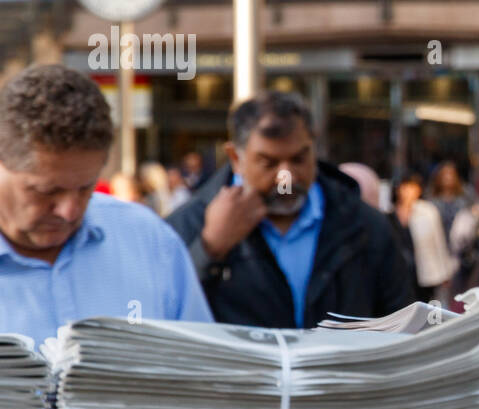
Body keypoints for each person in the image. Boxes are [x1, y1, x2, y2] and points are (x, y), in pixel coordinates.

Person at [0, 64, 212, 350]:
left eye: (86, 188)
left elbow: (205, 374)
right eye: (46, 191)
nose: (68, 211)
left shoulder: (152, 243)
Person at [166, 91, 413, 328]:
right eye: (269, 163)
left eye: (298, 159)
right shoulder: (186, 226)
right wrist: (208, 250)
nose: (286, 177)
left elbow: (402, 326)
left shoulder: (366, 225)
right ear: (235, 158)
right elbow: (164, 318)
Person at [394, 172, 456, 302]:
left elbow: (438, 241)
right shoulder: (390, 213)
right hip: (400, 270)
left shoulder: (428, 211)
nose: (409, 192)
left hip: (424, 271)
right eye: (405, 187)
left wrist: (444, 272)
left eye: (413, 187)